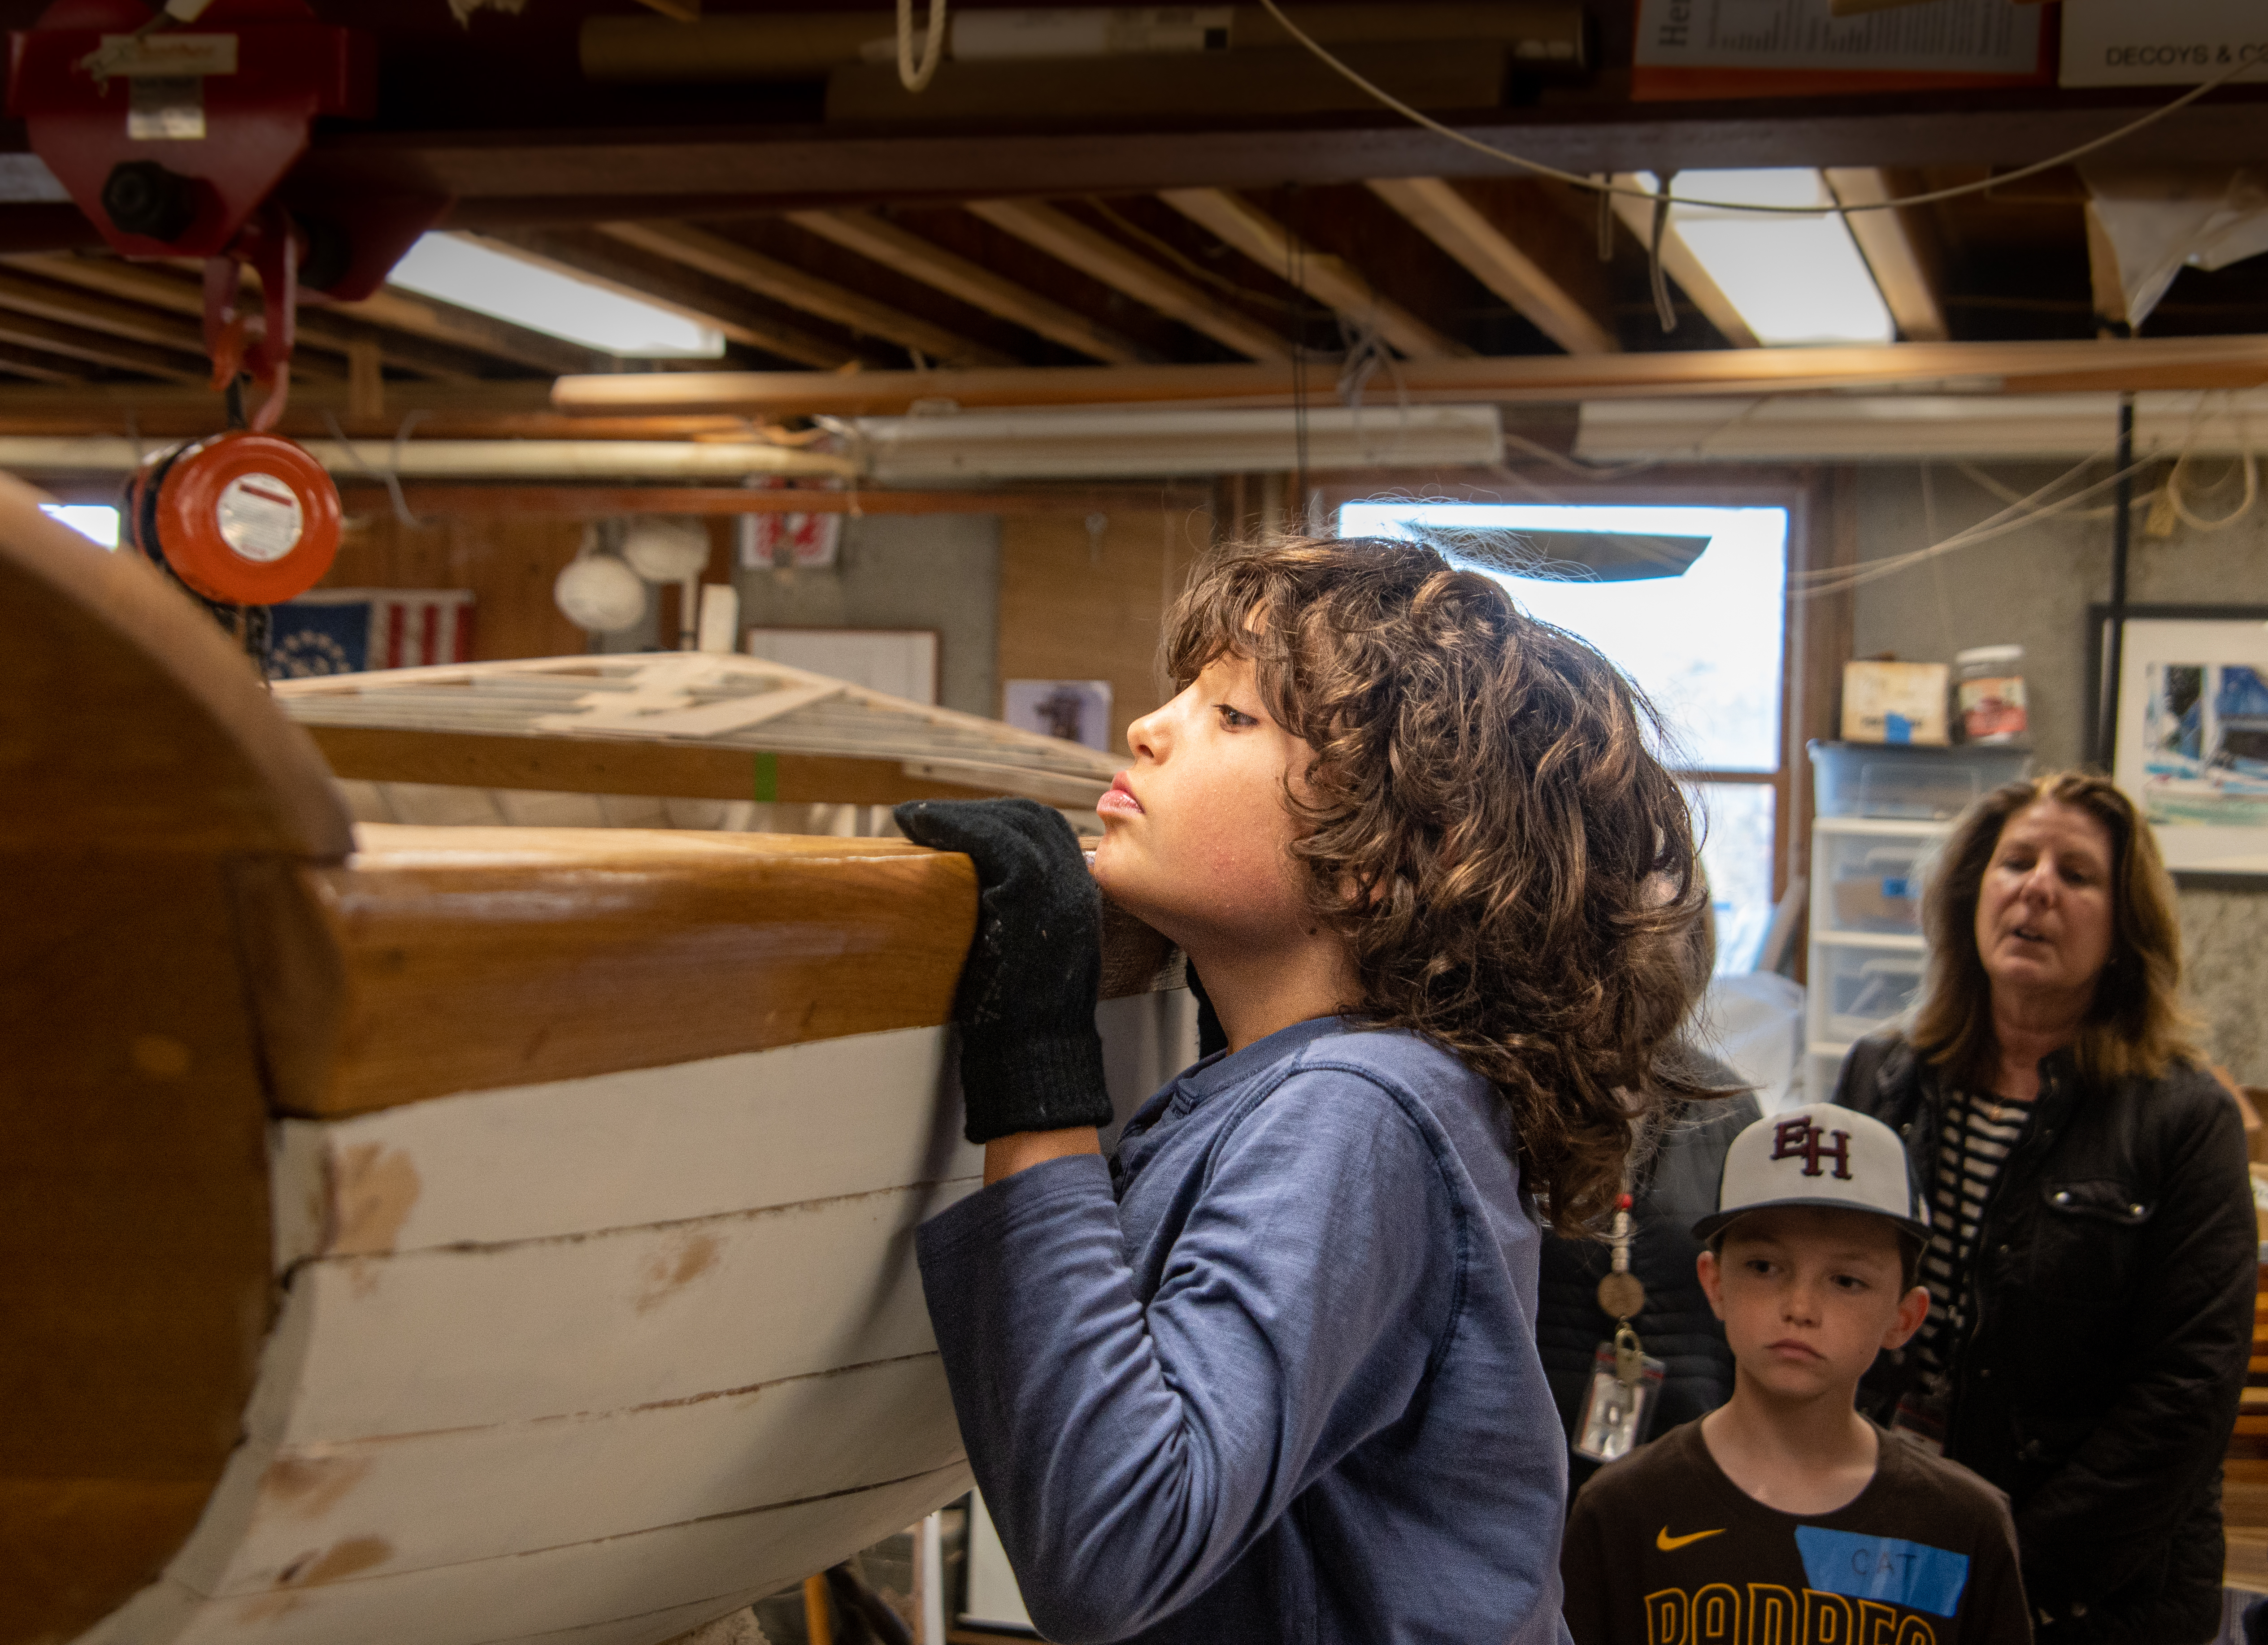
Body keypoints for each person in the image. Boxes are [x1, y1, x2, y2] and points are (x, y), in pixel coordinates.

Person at [894, 533, 1721, 1645]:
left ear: (1376, 854)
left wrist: (1036, 1058)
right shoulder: (1364, 1082)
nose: (1150, 726)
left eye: (1231, 715)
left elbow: (1113, 1541)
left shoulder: (1358, 1104)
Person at [1834, 771, 2255, 1644]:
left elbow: (2185, 1397)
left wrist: (2008, 1571)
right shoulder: (1880, 1077)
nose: (2037, 887)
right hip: (1880, 1542)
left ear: (2123, 928)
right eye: (2016, 860)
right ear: (1971, 895)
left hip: (2092, 1592)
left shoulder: (2185, 1119)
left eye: (2078, 873)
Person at [1560, 1102, 2034, 1645]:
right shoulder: (1624, 1512)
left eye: (1847, 1281)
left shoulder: (1962, 1528)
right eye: (1765, 1268)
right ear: (1715, 1283)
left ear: (1905, 1319)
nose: (1801, 1307)